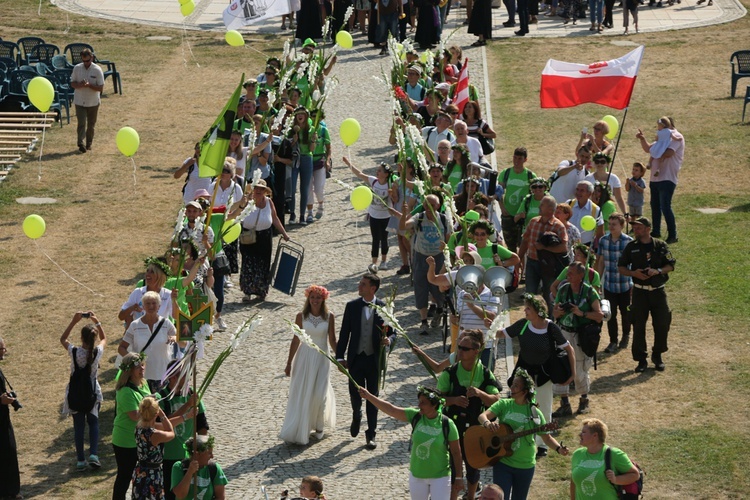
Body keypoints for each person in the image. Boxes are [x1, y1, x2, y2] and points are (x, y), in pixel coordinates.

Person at [499, 294, 575, 457]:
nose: (525, 310)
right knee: (519, 405)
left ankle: (542, 444)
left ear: (538, 311)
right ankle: (516, 436)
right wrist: (489, 327)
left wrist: (572, 374)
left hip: (544, 373)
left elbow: (569, 349)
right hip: (523, 373)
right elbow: (502, 333)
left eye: (528, 308)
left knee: (544, 406)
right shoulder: (523, 325)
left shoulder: (551, 328)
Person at [477, 369, 569, 500]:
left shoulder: (535, 413)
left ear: (525, 392)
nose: (511, 387)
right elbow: (483, 416)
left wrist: (559, 449)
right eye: (512, 384)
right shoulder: (504, 404)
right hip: (503, 462)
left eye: (516, 385)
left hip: (525, 465)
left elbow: (546, 437)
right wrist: (487, 423)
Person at [358, 386, 463, 500]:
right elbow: (391, 409)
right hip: (417, 476)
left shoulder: (448, 424)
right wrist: (368, 396)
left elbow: (456, 453)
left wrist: (459, 477)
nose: (419, 405)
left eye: (423, 403)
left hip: (440, 477)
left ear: (434, 405)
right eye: (419, 401)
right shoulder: (415, 416)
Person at [438, 330, 502, 500]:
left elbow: (496, 401)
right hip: (453, 426)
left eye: (464, 348)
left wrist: (480, 394)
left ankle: (471, 497)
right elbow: (437, 400)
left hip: (475, 427)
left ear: (476, 351)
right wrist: (453, 400)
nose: (460, 351)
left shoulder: (485, 373)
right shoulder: (450, 372)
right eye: (459, 347)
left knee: (473, 467)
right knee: (452, 465)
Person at [336, 273, 395, 450]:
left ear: (372, 288)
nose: (359, 287)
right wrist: (340, 357)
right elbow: (345, 332)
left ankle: (371, 434)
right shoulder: (352, 306)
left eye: (363, 284)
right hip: (356, 358)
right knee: (355, 392)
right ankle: (356, 413)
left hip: (374, 360)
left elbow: (393, 331)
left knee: (373, 397)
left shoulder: (384, 307)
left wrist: (389, 340)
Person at [280, 285, 337, 445]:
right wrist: (289, 363)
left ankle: (319, 425)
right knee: (303, 392)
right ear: (308, 299)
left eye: (318, 297)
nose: (315, 300)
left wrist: (340, 358)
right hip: (304, 358)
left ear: (323, 299)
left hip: (322, 358)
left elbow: (332, 340)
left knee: (320, 392)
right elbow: (296, 339)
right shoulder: (301, 316)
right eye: (312, 297)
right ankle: (302, 427)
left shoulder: (329, 316)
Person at [617, 216, 675, 372]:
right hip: (639, 292)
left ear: (648, 229)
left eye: (639, 227)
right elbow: (621, 267)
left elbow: (671, 264)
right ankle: (641, 359)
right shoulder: (631, 247)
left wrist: (658, 271)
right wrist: (633, 273)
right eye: (634, 227)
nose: (635, 230)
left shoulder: (660, 245)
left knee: (662, 324)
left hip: (657, 291)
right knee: (638, 326)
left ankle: (657, 355)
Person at [552, 262, 604, 417]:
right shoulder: (563, 290)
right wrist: (559, 312)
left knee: (580, 368)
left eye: (571, 274)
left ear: (581, 276)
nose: (568, 276)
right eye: (568, 273)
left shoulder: (589, 292)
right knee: (561, 366)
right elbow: (554, 314)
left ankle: (583, 400)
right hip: (563, 332)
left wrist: (582, 314)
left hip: (581, 335)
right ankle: (565, 403)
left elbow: (600, 316)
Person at [228, 179, 290, 302]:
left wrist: (284, 233)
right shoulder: (247, 202)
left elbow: (275, 218)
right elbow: (236, 213)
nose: (258, 191)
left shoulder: (269, 202)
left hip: (265, 237)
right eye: (256, 188)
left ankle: (261, 291)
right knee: (248, 263)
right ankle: (247, 291)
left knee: (263, 264)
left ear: (265, 192)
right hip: (249, 236)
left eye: (261, 189)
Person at [400, 194, 452, 336]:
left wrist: (446, 251)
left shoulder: (444, 219)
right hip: (421, 257)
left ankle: (440, 309)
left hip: (438, 257)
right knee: (420, 286)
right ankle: (424, 321)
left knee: (438, 287)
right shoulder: (419, 218)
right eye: (427, 205)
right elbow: (403, 226)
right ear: (424, 205)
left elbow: (450, 239)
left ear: (437, 206)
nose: (430, 208)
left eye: (433, 205)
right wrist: (404, 213)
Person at [60, 311, 106, 470]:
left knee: (78, 427)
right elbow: (104, 339)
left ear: (81, 338)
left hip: (74, 393)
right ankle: (93, 454)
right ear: (94, 338)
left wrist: (74, 321)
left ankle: (80, 460)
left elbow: (63, 339)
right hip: (92, 392)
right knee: (93, 423)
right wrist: (97, 321)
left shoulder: (74, 352)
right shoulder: (97, 352)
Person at [158, 360, 207, 500]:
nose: (189, 377)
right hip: (169, 457)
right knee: (171, 495)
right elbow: (165, 425)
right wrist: (187, 405)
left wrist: (202, 449)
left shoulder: (192, 394)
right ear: (173, 377)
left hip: (189, 457)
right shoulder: (162, 397)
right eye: (185, 374)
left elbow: (202, 426)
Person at [636, 116, 684, 244]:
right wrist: (642, 139)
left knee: (665, 206)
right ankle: (656, 231)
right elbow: (648, 149)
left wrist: (656, 153)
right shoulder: (661, 138)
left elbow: (669, 153)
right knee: (655, 205)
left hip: (667, 177)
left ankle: (672, 235)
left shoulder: (676, 136)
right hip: (655, 178)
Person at [119, 291, 180, 391]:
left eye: (154, 303)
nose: (151, 306)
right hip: (141, 376)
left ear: (159, 306)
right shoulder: (135, 325)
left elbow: (179, 337)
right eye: (147, 303)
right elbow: (121, 348)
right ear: (143, 306)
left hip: (162, 374)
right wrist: (133, 360)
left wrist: (174, 338)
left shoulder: (166, 323)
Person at [343, 157, 397, 271]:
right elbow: (359, 174)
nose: (377, 172)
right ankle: (374, 262)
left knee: (384, 238)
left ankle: (384, 260)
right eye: (377, 170)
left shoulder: (390, 185)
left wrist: (392, 194)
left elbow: (396, 199)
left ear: (386, 174)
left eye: (380, 171)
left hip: (386, 216)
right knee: (375, 238)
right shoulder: (373, 181)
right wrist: (349, 163)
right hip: (374, 215)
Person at [518, 195, 569, 314]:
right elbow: (525, 241)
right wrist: (519, 258)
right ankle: (531, 320)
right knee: (530, 294)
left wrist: (545, 248)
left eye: (542, 205)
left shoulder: (558, 226)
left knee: (548, 295)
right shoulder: (533, 222)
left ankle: (549, 321)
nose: (539, 207)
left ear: (551, 209)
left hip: (549, 266)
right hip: (532, 262)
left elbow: (563, 248)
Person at [112, 352, 151, 500]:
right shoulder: (125, 391)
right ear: (129, 371)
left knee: (139, 475)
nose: (142, 368)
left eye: (142, 365)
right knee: (125, 475)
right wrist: (151, 407)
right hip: (125, 439)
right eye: (137, 367)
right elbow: (135, 416)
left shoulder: (144, 383)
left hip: (139, 438)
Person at [570, 419, 640, 499]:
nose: (580, 434)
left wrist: (616, 479)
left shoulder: (614, 454)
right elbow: (573, 481)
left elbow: (635, 475)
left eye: (584, 432)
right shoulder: (577, 454)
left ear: (595, 435)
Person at [596, 213, 633, 353]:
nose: (611, 227)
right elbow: (601, 262)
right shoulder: (603, 240)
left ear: (621, 226)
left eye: (614, 224)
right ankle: (613, 340)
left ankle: (626, 335)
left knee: (626, 313)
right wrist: (598, 280)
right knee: (610, 315)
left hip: (624, 285)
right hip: (609, 285)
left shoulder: (628, 242)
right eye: (609, 224)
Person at [131, 397, 175, 499]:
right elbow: (171, 432)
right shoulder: (154, 434)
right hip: (152, 474)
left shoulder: (138, 428)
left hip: (140, 471)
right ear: (156, 414)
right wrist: (163, 415)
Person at [498, 147, 537, 253]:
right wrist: (502, 208)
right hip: (508, 215)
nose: (516, 161)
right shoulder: (505, 173)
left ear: (525, 160)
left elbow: (535, 195)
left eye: (519, 158)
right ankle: (513, 268)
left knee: (523, 245)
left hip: (523, 217)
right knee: (510, 246)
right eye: (515, 158)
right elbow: (499, 192)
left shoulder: (530, 176)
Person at [171, 435, 228, 500]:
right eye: (209, 453)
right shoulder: (179, 467)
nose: (212, 456)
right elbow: (180, 495)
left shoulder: (214, 468)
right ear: (197, 454)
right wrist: (190, 472)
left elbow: (220, 497)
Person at [70, 47, 104, 153]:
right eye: (83, 61)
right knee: (81, 122)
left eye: (87, 60)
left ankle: (89, 143)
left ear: (92, 58)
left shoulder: (97, 70)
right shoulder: (77, 68)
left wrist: (89, 85)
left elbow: (100, 88)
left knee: (91, 124)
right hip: (80, 101)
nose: (86, 63)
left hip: (93, 102)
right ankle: (81, 143)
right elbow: (72, 83)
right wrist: (79, 85)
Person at [0, 336, 21, 500]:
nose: (4, 352)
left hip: (3, 419)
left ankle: (10, 491)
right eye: (2, 349)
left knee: (9, 452)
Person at [568, 180, 604, 246]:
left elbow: (600, 234)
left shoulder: (595, 210)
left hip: (585, 246)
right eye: (577, 189)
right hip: (568, 243)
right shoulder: (569, 204)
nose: (578, 193)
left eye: (582, 190)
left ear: (589, 193)